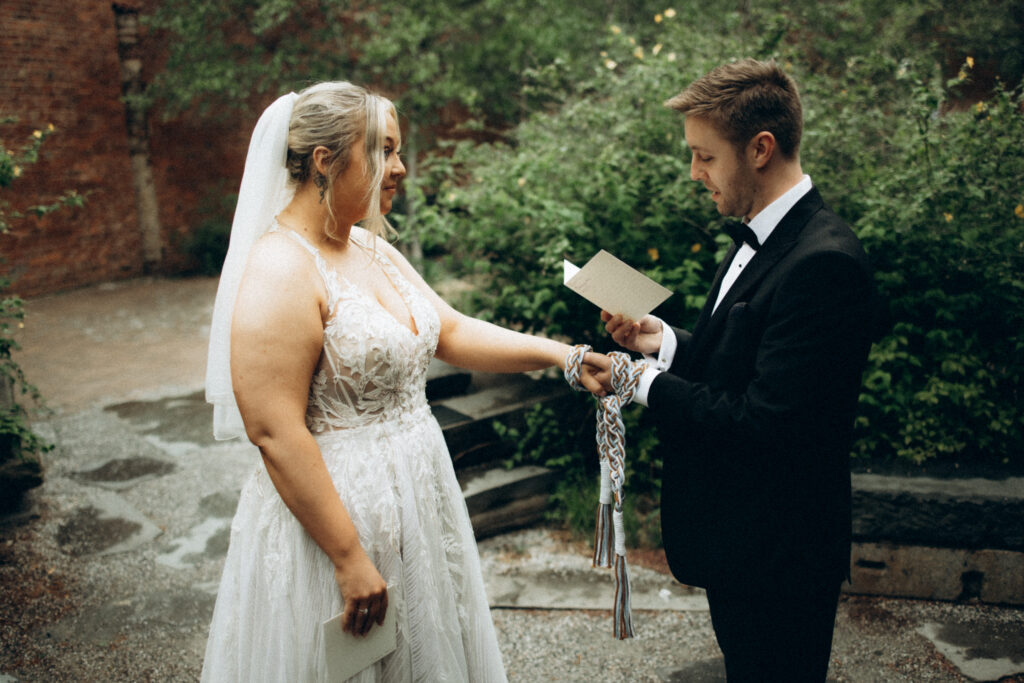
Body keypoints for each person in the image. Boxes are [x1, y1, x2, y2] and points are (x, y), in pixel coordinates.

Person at [202, 81, 603, 682]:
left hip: (419, 496)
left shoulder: (370, 248)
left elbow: (451, 330)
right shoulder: (280, 268)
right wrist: (347, 557)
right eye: (384, 150)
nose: (401, 168)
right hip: (338, 518)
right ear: (325, 159)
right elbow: (274, 430)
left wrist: (565, 356)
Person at [595, 59, 879, 681]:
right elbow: (744, 362)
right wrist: (664, 343)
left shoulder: (824, 264)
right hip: (742, 545)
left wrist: (638, 384)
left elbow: (767, 421)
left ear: (760, 148)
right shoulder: (763, 233)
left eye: (704, 156)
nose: (694, 173)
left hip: (781, 553)